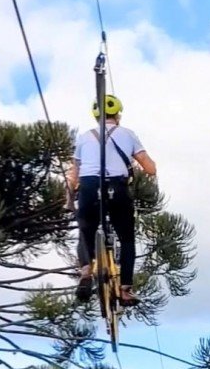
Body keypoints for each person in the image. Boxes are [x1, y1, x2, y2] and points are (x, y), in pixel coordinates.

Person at [66, 94, 157, 306]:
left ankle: (86, 273)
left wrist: (68, 200)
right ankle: (125, 289)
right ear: (118, 115)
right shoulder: (128, 134)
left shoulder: (83, 137)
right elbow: (150, 168)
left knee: (85, 231)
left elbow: (74, 174)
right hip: (117, 187)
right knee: (126, 238)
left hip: (89, 186)